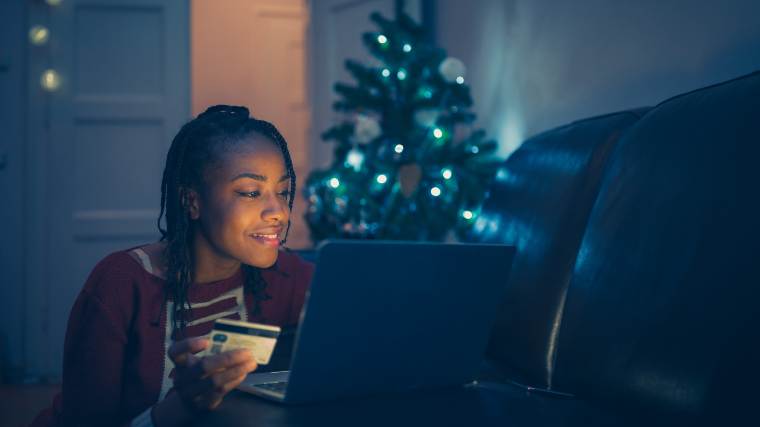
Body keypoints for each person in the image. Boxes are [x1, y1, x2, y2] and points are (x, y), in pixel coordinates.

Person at [31, 105, 314, 427]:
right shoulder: (121, 285)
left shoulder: (288, 276)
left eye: (283, 191)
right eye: (251, 192)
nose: (278, 211)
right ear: (192, 201)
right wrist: (179, 408)